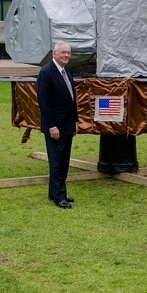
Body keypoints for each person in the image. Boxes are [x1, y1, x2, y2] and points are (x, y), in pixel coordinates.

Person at [37, 41, 78, 209]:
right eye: (63, 53)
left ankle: (55, 192)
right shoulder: (46, 72)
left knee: (63, 160)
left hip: (68, 124)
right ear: (54, 54)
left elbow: (72, 99)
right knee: (57, 161)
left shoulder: (67, 70)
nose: (66, 55)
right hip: (55, 127)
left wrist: (75, 121)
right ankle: (59, 197)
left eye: (68, 53)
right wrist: (51, 126)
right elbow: (44, 103)